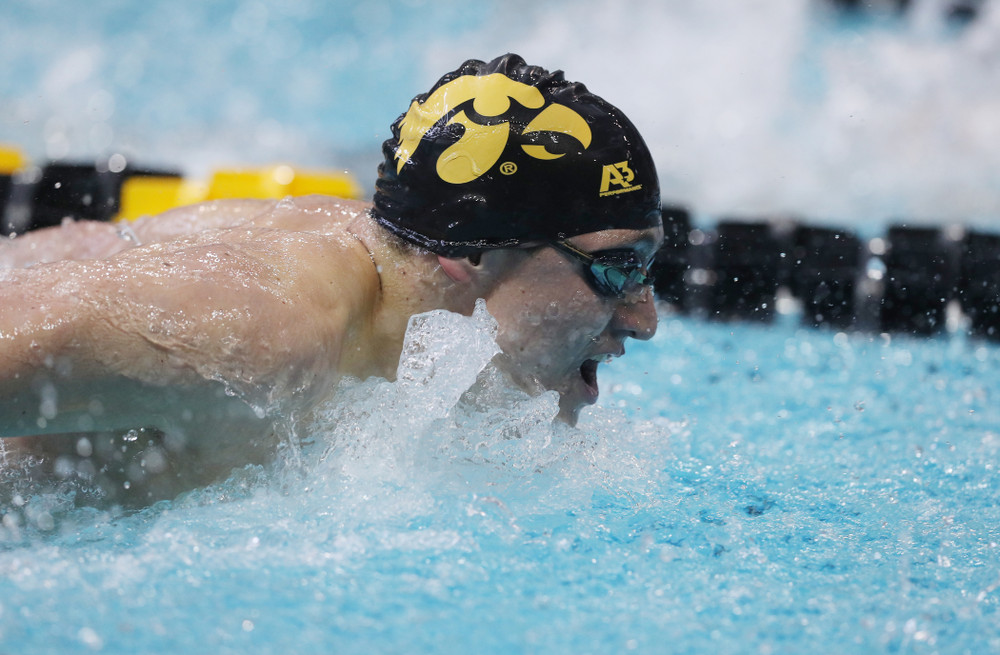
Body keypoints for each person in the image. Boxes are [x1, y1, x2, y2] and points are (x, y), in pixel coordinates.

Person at [0, 54, 663, 503]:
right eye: (617, 269)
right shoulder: (260, 333)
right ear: (475, 252)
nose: (645, 319)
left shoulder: (383, 289)